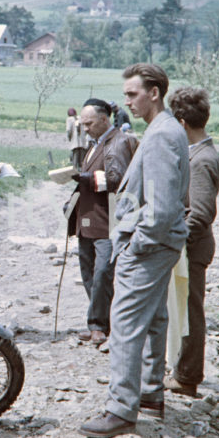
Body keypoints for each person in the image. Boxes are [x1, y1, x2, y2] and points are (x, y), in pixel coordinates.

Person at [79, 63, 189, 438]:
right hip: (160, 244)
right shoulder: (167, 130)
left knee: (124, 324)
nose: (126, 101)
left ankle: (121, 411)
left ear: (154, 93)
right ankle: (150, 395)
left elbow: (159, 208)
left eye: (131, 94)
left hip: (149, 245)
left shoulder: (160, 135)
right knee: (156, 318)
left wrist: (133, 246)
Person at [164, 87, 219, 397]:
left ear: (182, 122)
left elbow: (200, 215)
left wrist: (175, 244)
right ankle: (182, 369)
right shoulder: (201, 153)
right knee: (184, 310)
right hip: (191, 247)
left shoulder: (200, 160)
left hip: (191, 249)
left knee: (189, 313)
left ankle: (187, 377)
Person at [69, 98, 138, 345]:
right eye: (83, 124)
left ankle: (99, 325)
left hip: (108, 220)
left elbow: (118, 180)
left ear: (104, 119)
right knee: (88, 273)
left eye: (88, 124)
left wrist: (83, 177)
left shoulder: (118, 142)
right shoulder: (94, 143)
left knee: (102, 273)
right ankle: (99, 321)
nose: (85, 128)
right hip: (87, 219)